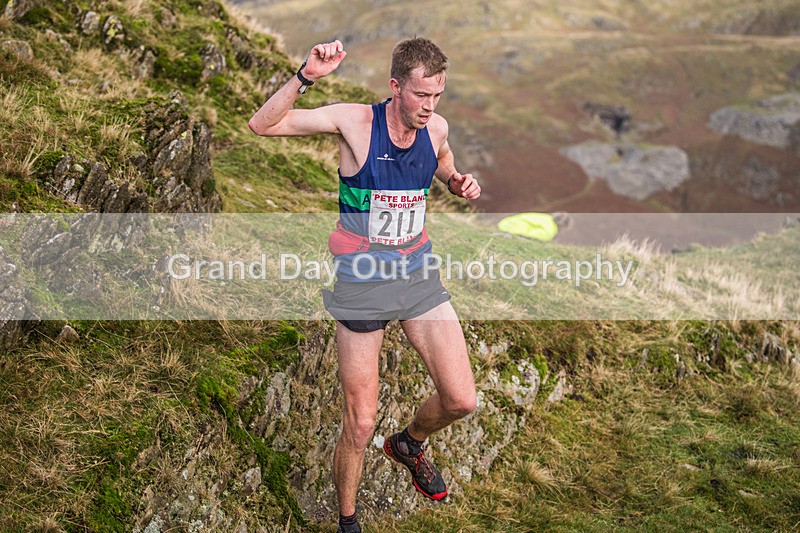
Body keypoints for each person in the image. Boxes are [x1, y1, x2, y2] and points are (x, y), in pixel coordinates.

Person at [248, 37, 480, 533]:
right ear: (396, 86)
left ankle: (409, 443)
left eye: (437, 95)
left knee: (461, 400)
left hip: (417, 273)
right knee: (360, 422)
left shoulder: (435, 127)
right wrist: (306, 76)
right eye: (421, 95)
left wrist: (457, 181)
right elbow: (262, 125)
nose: (429, 106)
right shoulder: (355, 123)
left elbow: (442, 164)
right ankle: (348, 522)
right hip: (362, 281)